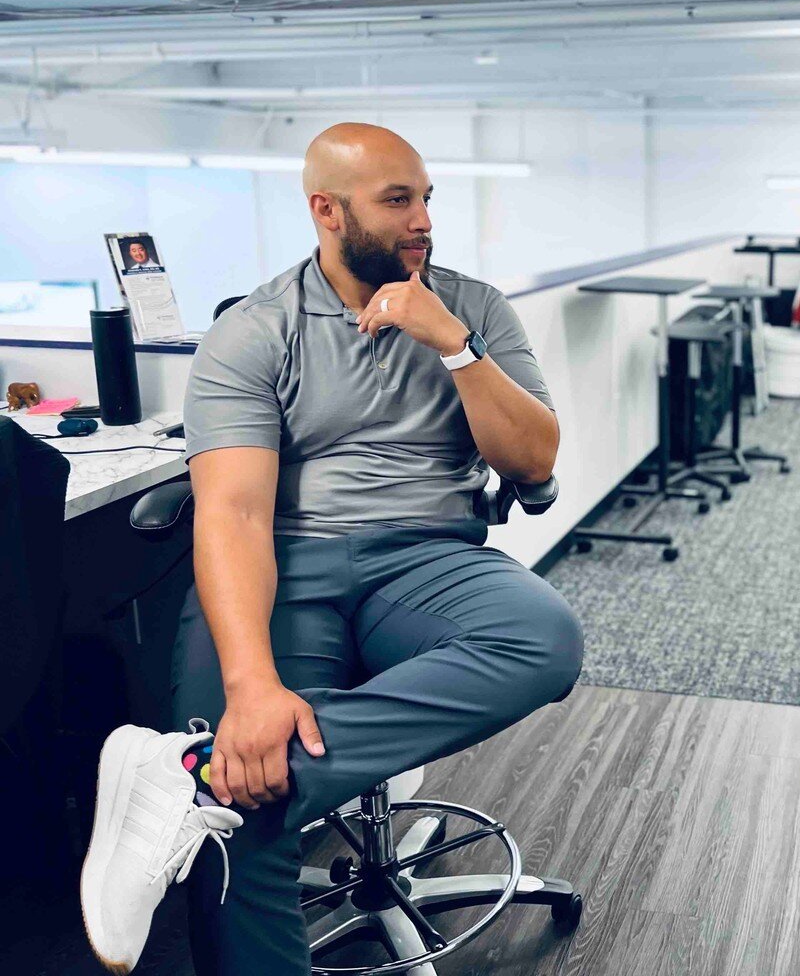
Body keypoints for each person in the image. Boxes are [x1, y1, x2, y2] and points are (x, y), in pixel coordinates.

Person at [80, 123, 583, 975]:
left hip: (427, 560)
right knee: (245, 829)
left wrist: (454, 344)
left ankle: (192, 778)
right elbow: (234, 516)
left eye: (426, 198)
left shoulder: (477, 307)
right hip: (285, 564)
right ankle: (226, 783)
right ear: (326, 210)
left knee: (544, 639)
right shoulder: (256, 330)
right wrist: (252, 690)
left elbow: (533, 459)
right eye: (398, 201)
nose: (423, 219)